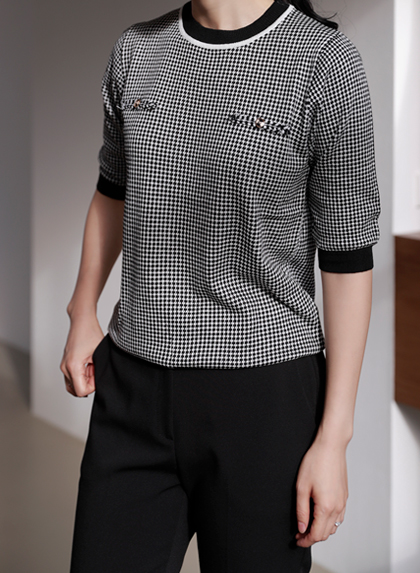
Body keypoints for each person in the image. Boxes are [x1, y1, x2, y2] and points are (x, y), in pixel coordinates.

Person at [60, 0, 381, 571]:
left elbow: (347, 256)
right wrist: (83, 309)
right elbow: (113, 188)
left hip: (264, 400)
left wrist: (334, 438)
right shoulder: (136, 50)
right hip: (133, 389)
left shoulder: (324, 61)